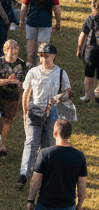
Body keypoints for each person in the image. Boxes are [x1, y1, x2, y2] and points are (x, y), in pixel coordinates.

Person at [19, 43, 72, 188]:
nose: (43, 59)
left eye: (46, 56)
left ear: (53, 56)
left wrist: (55, 99)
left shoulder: (61, 73)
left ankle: (45, 174)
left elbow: (68, 92)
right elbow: (26, 93)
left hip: (53, 113)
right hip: (35, 111)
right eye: (41, 56)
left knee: (48, 145)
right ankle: (24, 174)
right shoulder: (33, 72)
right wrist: (24, 113)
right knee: (31, 143)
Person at [0, 40, 28, 153]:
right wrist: (8, 81)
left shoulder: (22, 64)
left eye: (16, 49)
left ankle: (1, 144)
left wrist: (18, 83)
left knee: (8, 121)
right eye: (11, 49)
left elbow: (25, 82)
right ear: (5, 50)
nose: (13, 52)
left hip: (13, 97)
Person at [79, 0, 99, 103]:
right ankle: (98, 95)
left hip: (91, 50)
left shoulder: (90, 18)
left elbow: (82, 35)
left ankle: (87, 96)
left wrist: (79, 50)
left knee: (88, 75)